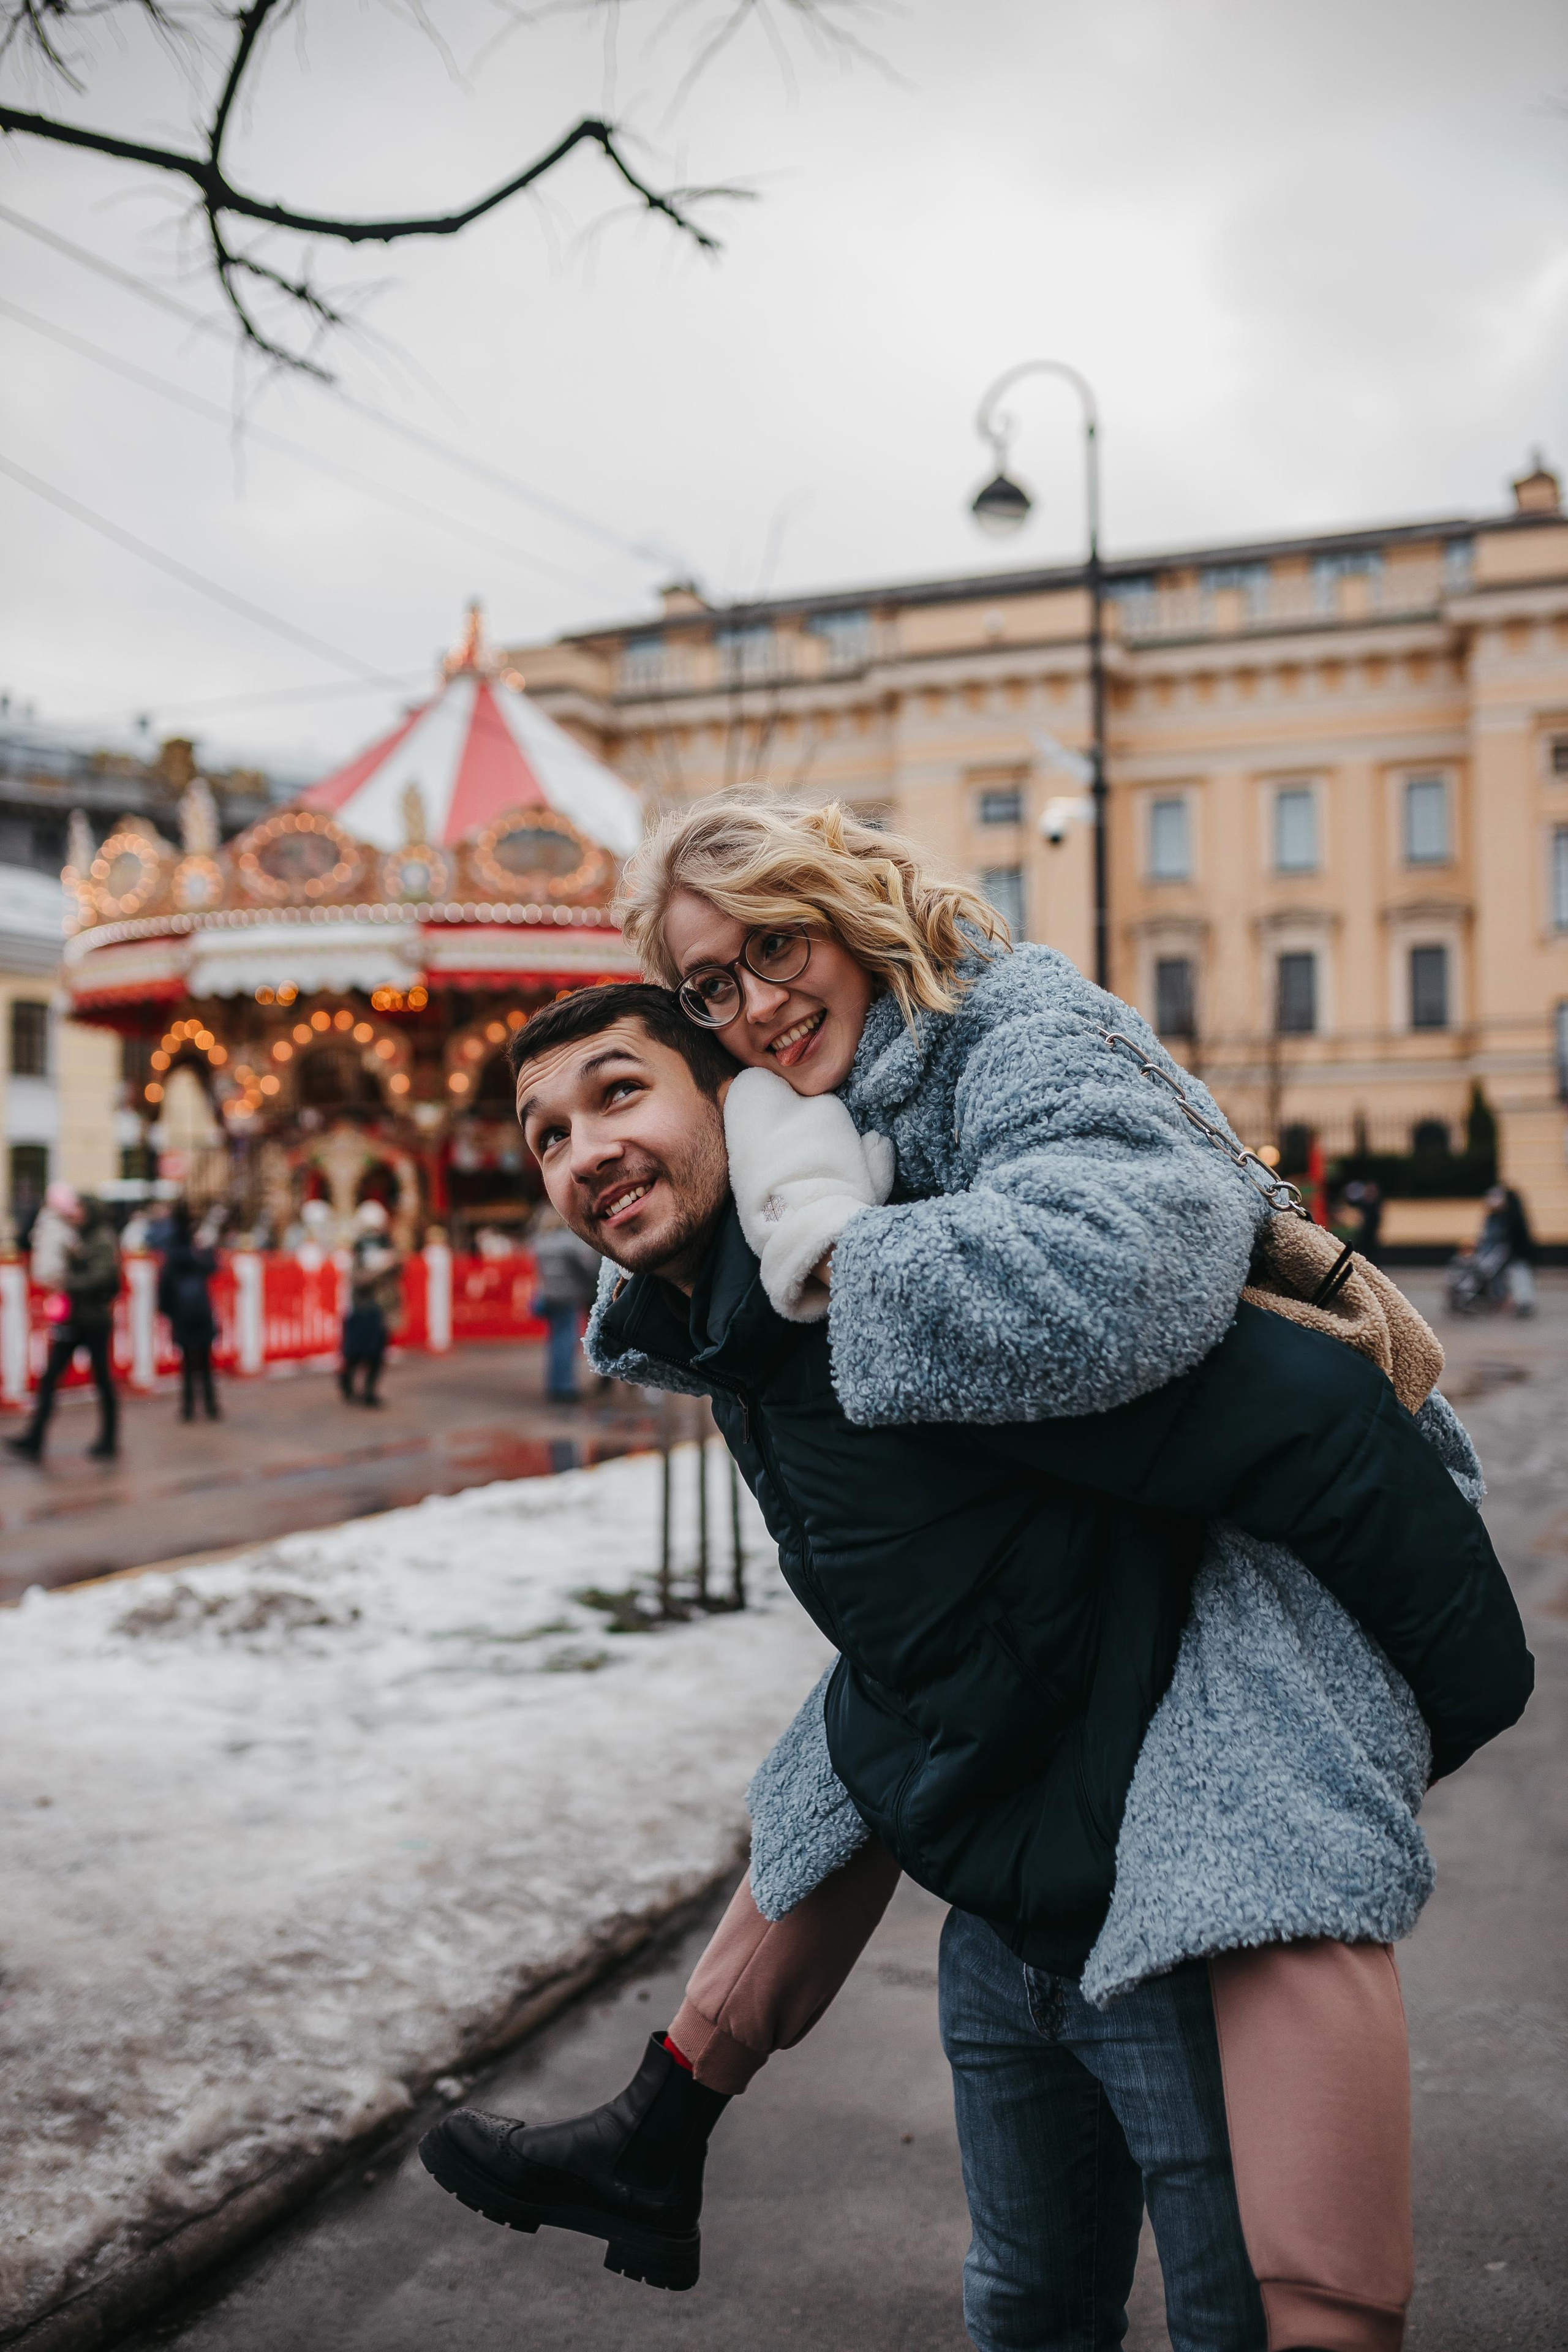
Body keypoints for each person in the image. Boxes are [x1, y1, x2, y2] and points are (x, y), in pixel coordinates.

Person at [420, 983, 1531, 2348]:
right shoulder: (739, 1334)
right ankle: (655, 2138)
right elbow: (934, 1630)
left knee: (1228, 2320)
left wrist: (1459, 1688)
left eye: (618, 1092)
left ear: (734, 1099)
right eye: (544, 1136)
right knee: (1021, 2310)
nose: (581, 1150)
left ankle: (654, 2138)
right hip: (1002, 1925)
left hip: (1167, 1921)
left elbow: (1310, 1419)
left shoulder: (890, 1291)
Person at [6, 1193, 122, 1463]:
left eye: (80, 1207)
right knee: (50, 1378)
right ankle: (35, 1437)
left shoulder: (101, 1238)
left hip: (93, 1320)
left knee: (102, 1379)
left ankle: (109, 1438)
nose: (76, 1212)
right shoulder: (76, 1234)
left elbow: (102, 1276)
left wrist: (68, 1280)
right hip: (74, 1318)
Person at [529, 1205, 603, 1402]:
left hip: (549, 1296)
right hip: (568, 1297)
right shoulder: (570, 1243)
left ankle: (554, 1384)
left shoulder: (540, 1242)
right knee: (567, 1342)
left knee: (554, 1342)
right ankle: (565, 1387)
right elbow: (588, 1267)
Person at [156, 1200, 221, 1422]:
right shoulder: (197, 1248)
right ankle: (210, 1404)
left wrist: (165, 1308)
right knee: (204, 1360)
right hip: (200, 1308)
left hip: (183, 1311)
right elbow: (212, 1267)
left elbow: (165, 1280)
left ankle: (189, 1407)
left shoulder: (174, 1248)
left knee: (188, 1362)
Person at [339, 1200, 401, 1406]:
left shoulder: (387, 1244)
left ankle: (370, 1391)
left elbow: (400, 1269)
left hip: (383, 1308)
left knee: (377, 1354)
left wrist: (394, 1262)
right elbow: (358, 1280)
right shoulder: (358, 1249)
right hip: (363, 1308)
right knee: (357, 1353)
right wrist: (381, 1269)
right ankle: (347, 1381)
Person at [1480, 1182, 1537, 1317]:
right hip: (1505, 1254)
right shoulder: (1502, 1216)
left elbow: (1515, 1238)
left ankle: (1524, 1303)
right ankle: (1512, 1301)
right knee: (1511, 1277)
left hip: (1517, 1255)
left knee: (1520, 1277)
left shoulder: (1512, 1217)